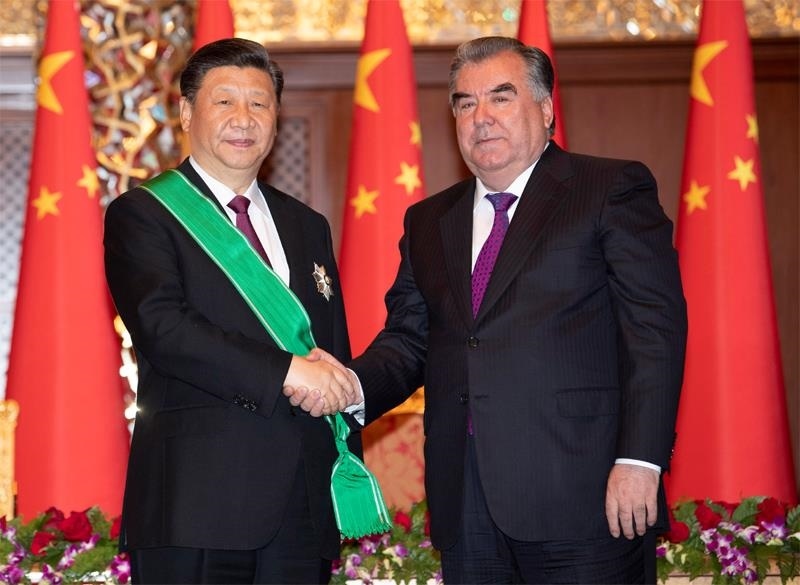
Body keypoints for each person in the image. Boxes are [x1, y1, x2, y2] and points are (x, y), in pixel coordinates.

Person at [288, 36, 687, 583]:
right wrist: (350, 386)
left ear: (545, 108)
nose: (482, 117)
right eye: (466, 103)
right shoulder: (430, 221)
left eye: (501, 97)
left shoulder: (608, 188)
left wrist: (640, 460)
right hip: (466, 503)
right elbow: (410, 340)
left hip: (585, 496)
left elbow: (654, 331)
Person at [104, 38, 357, 584]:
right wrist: (286, 371)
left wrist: (342, 469)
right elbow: (165, 329)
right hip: (197, 506)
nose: (244, 118)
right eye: (224, 101)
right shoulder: (145, 214)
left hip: (301, 510)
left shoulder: (307, 226)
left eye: (259, 103)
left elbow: (331, 351)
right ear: (186, 113)